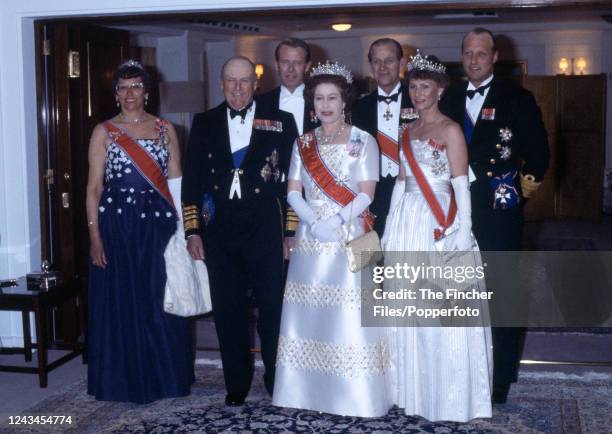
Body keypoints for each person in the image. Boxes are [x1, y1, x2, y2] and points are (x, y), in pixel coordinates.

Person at [272, 61, 392, 417]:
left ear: (344, 102)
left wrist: (336, 219)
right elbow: (293, 191)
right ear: (313, 103)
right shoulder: (303, 142)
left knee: (351, 315)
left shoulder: (363, 140)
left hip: (352, 234)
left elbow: (368, 193)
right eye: (319, 98)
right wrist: (313, 221)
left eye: (332, 98)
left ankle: (357, 396)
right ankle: (303, 391)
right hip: (311, 240)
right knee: (309, 315)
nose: (325, 105)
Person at [439, 27, 549, 404]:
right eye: (468, 53)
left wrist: (517, 193)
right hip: (453, 210)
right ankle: (458, 370)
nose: (473, 60)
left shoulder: (517, 98)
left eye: (481, 53)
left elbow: (539, 155)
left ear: (495, 56)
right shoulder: (448, 96)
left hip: (497, 211)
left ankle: (500, 378)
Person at [382, 52, 492, 422]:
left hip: (439, 222)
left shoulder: (450, 130)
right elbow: (400, 183)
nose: (417, 93)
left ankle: (448, 396)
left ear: (440, 89)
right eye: (412, 86)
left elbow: (461, 185)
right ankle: (412, 392)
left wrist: (463, 231)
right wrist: (387, 232)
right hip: (408, 224)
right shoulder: (406, 131)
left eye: (424, 86)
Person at [182, 56, 298, 406]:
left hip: (265, 228)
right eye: (230, 81)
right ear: (221, 83)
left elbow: (294, 181)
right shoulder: (204, 122)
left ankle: (278, 380)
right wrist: (192, 230)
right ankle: (236, 383)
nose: (237, 88)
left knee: (272, 311)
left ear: (255, 84)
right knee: (228, 311)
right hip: (220, 230)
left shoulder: (281, 121)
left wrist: (290, 232)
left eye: (244, 81)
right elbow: (192, 182)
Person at [86, 60, 194, 403]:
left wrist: (183, 230)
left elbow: (176, 181)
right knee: (123, 298)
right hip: (117, 224)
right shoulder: (103, 131)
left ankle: (165, 377)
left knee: (161, 298)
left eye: (135, 86)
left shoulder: (166, 129)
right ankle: (122, 380)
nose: (129, 93)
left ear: (147, 92)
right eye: (122, 87)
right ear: (115, 93)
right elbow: (93, 188)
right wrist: (94, 237)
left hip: (158, 224)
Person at [256, 37, 317, 256]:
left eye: (297, 62)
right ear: (276, 64)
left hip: (315, 193)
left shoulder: (322, 101)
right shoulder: (259, 104)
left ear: (307, 66)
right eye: (285, 62)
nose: (290, 69)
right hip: (273, 198)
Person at [351, 38, 416, 238]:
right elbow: (354, 153)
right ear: (370, 65)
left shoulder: (418, 100)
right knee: (372, 260)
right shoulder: (358, 107)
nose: (382, 67)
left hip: (410, 193)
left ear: (401, 63)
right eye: (376, 61)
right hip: (372, 195)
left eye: (388, 60)